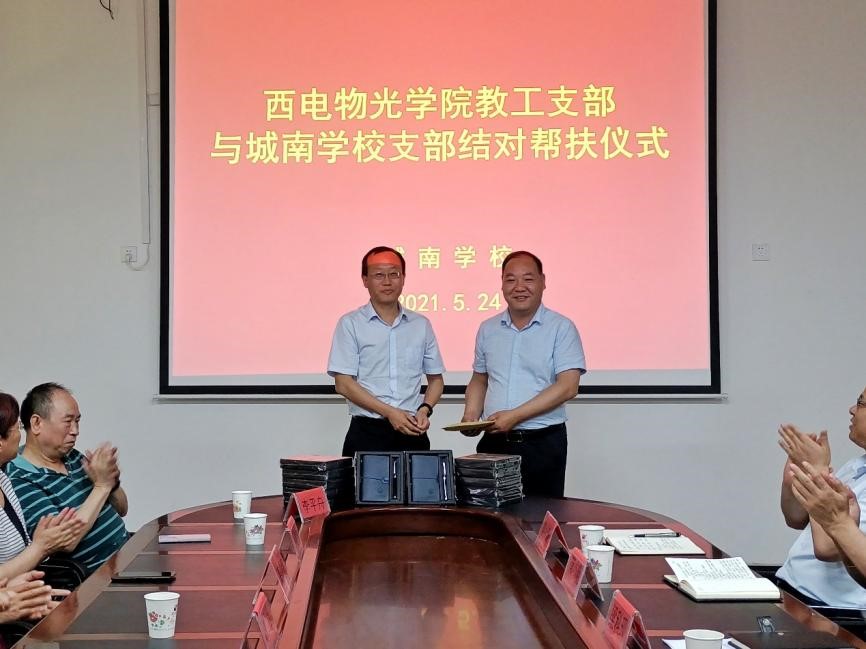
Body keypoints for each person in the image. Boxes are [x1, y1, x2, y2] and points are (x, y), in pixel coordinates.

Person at [461, 250, 585, 497]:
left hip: (542, 443)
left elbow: (568, 386)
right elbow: (480, 379)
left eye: (528, 279)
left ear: (543, 282)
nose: (519, 287)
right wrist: (471, 415)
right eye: (511, 279)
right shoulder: (488, 328)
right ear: (502, 284)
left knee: (539, 514)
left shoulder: (561, 328)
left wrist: (514, 416)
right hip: (494, 442)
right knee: (488, 514)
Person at [328, 246, 445, 456]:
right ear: (365, 280)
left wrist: (425, 409)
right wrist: (390, 413)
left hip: (412, 430)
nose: (387, 281)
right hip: (367, 432)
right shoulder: (350, 324)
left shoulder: (420, 324)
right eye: (379, 275)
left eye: (394, 274)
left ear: (403, 278)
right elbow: (343, 383)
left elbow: (436, 380)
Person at [7, 383, 129, 576]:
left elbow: (122, 509)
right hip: (97, 577)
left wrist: (111, 480)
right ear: (37, 423)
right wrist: (102, 486)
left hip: (126, 553)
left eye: (77, 421)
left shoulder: (73, 457)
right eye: (68, 421)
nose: (75, 431)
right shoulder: (19, 478)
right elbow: (65, 541)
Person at [776, 386, 866, 607]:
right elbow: (796, 519)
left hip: (829, 607)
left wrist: (818, 473)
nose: (852, 409)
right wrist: (796, 477)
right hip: (790, 586)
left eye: (861, 403)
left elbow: (828, 549)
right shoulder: (857, 465)